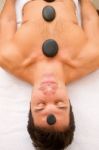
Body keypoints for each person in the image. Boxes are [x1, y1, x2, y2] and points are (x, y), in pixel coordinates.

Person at [0, 0, 99, 149]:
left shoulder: (8, 58)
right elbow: (91, 19)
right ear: (69, 102)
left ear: (30, 106)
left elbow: (7, 20)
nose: (49, 93)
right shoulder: (91, 58)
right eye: (59, 103)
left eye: (40, 105)